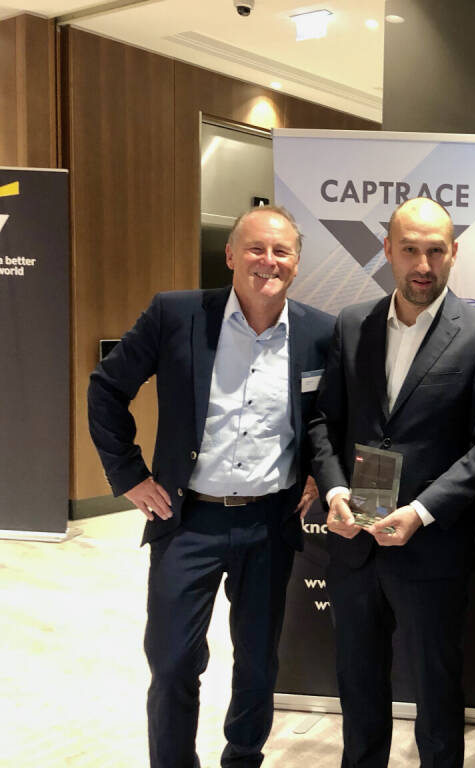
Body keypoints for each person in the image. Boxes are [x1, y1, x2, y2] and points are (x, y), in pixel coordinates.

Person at [87, 205, 334, 767]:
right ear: (230, 255)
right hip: (187, 520)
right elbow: (106, 388)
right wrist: (129, 475)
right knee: (172, 660)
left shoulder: (321, 332)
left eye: (281, 251)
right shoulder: (177, 314)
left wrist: (318, 475)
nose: (268, 261)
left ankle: (243, 757)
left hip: (269, 523)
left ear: (296, 262)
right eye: (255, 248)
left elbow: (330, 417)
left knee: (258, 662)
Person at [309, 197, 475, 767]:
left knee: (437, 690)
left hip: (432, 549)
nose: (423, 265)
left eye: (435, 251)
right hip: (354, 545)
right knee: (357, 682)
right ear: (387, 251)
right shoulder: (352, 324)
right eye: (409, 250)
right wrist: (334, 490)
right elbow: (324, 421)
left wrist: (421, 511)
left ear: (454, 253)